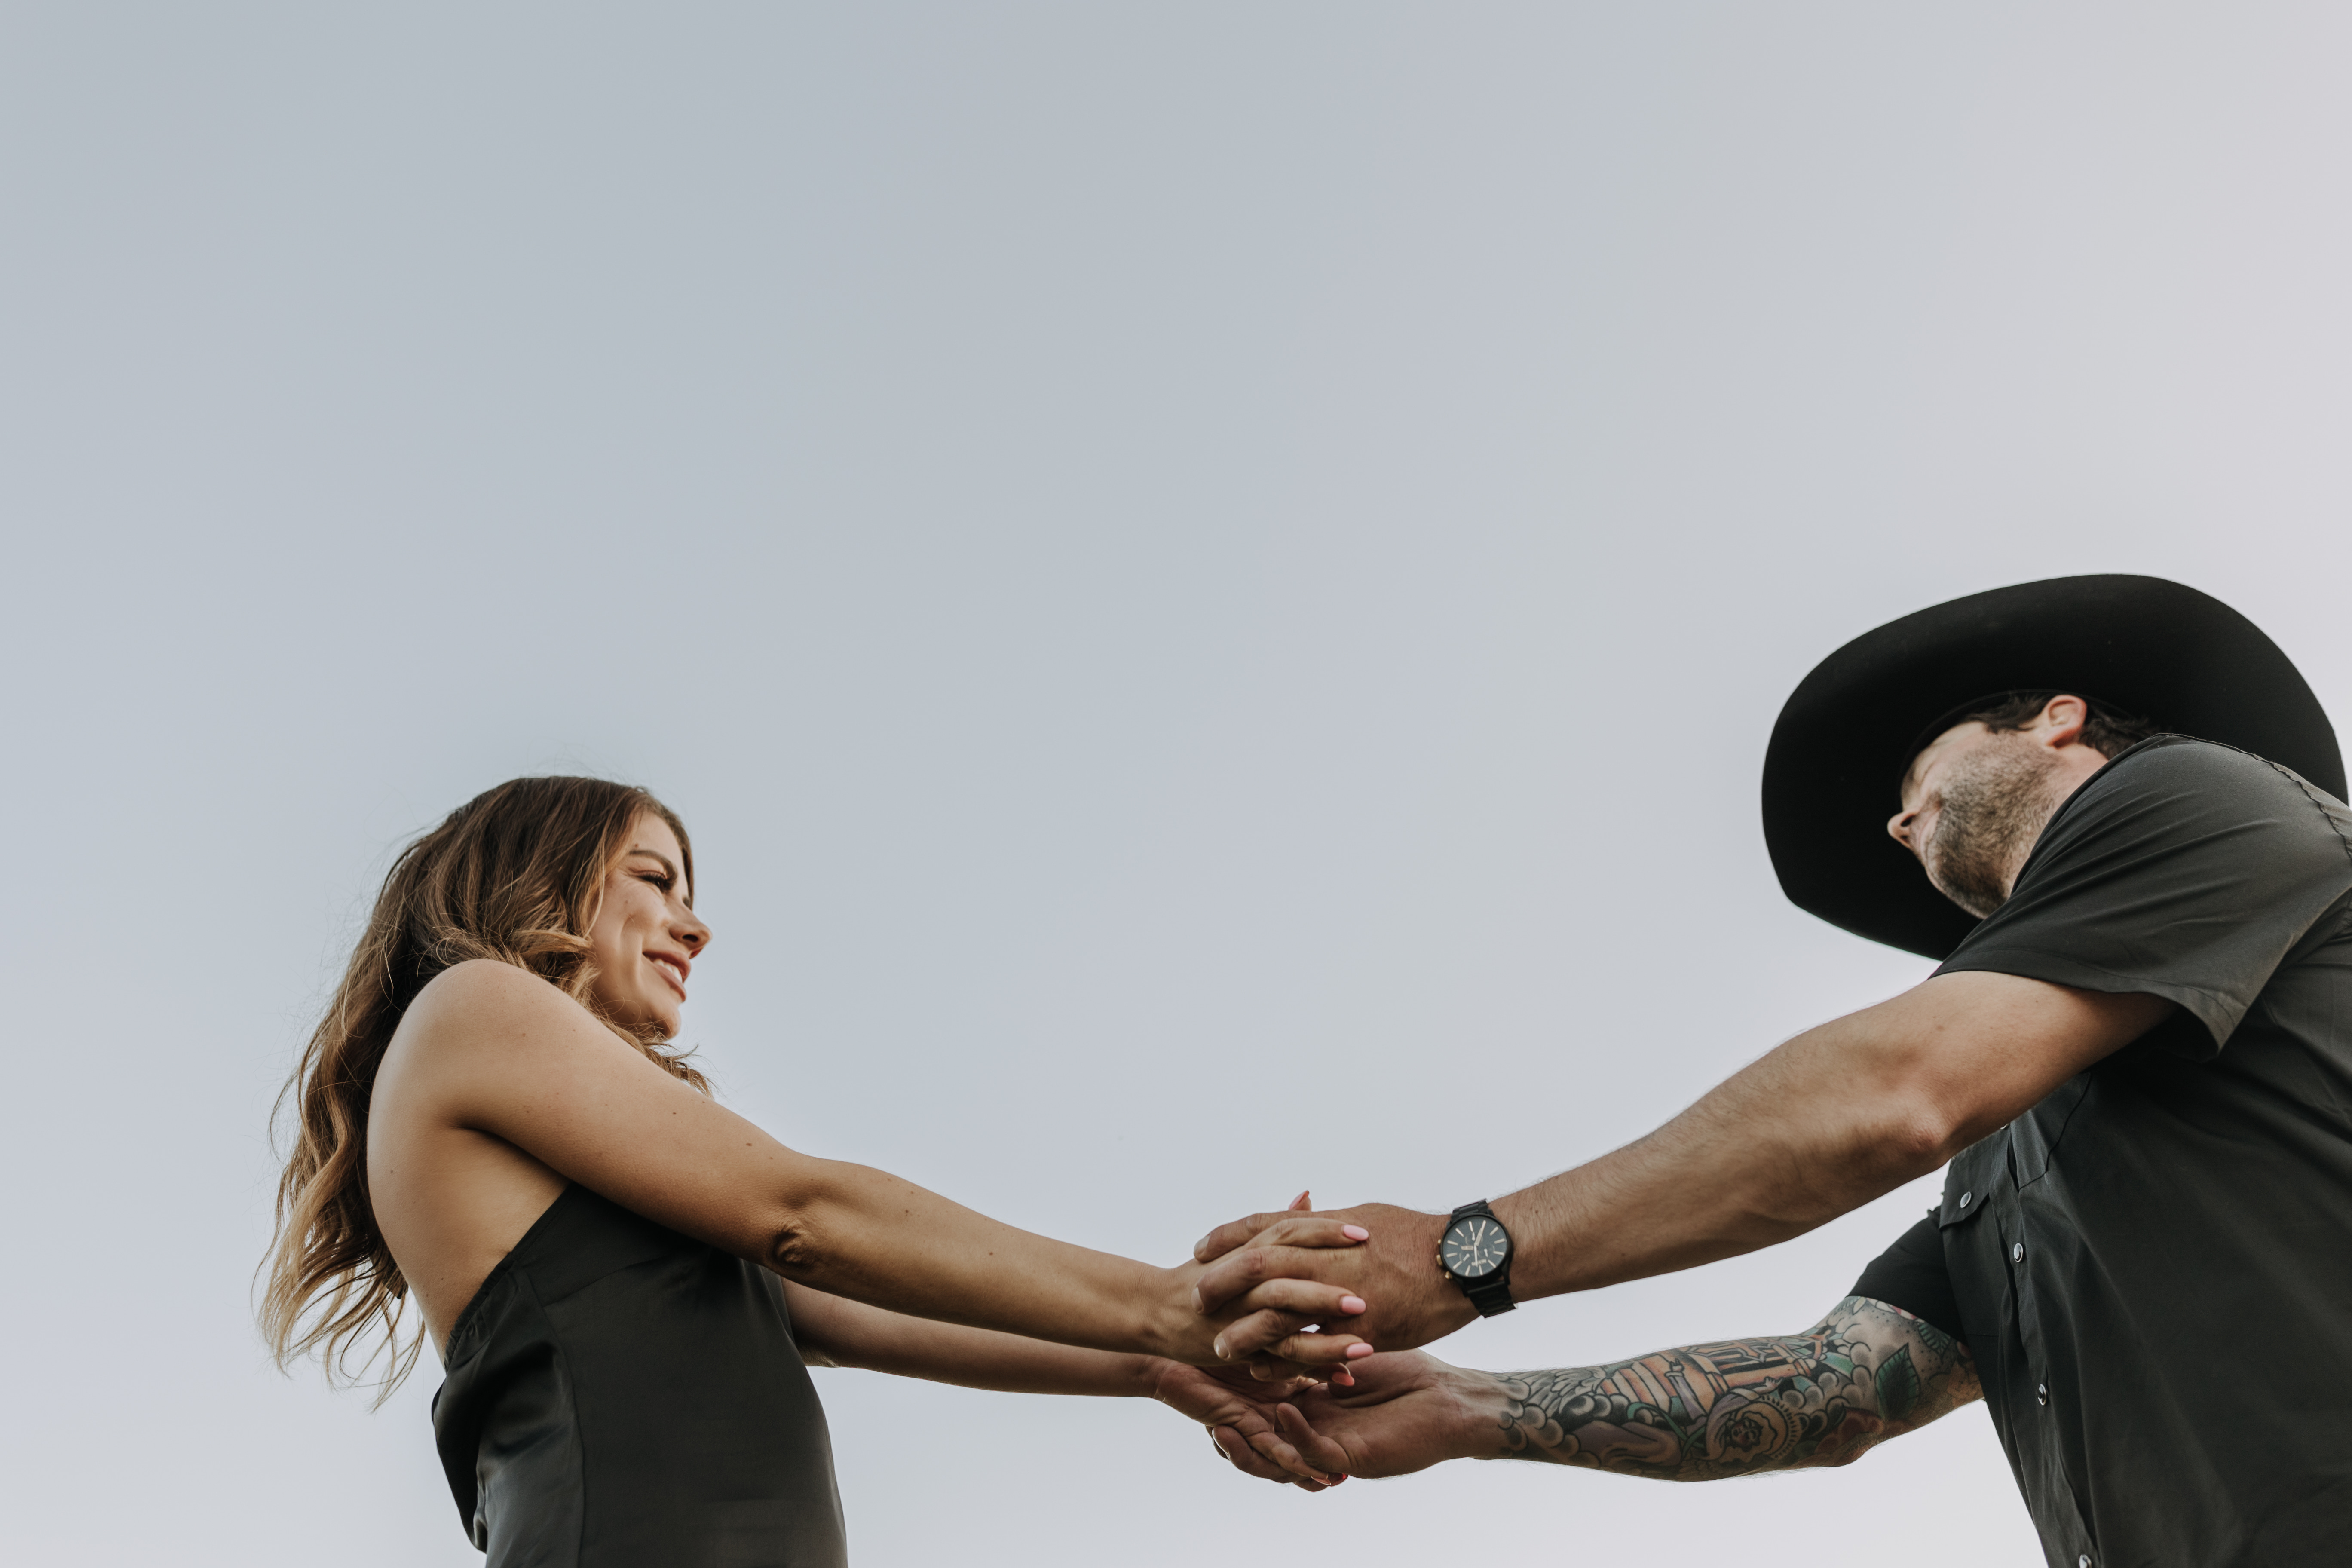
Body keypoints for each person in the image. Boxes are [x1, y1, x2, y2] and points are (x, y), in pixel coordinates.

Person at [1197, 575, 2352, 1567]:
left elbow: (1892, 1096)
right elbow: (1838, 1384)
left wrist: (1465, 1255)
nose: (1901, 826)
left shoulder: (2197, 797)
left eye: (1919, 775)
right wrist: (1468, 1407)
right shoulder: (2007, 1170)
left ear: (2057, 720)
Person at [261, 776, 1366, 1566]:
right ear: (540, 878)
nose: (694, 926)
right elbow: (803, 1210)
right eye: (655, 878)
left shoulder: (621, 1192)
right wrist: (1167, 1304)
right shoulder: (473, 1007)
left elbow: (852, 1307)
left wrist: (1163, 1361)